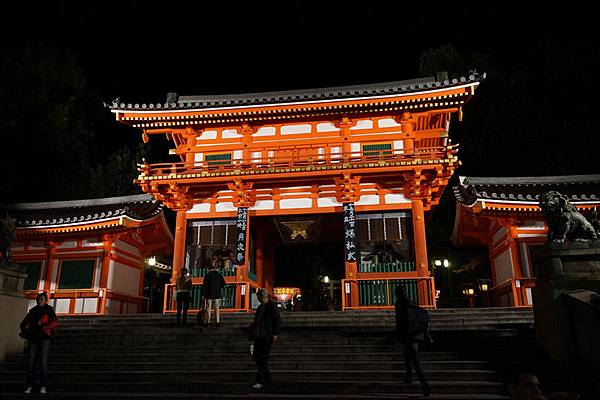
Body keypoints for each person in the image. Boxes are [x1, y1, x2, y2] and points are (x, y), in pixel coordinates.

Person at [395, 285, 431, 397]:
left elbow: (400, 322)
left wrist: (398, 335)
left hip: (408, 334)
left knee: (415, 360)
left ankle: (425, 384)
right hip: (415, 333)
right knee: (406, 354)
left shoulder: (400, 305)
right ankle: (408, 376)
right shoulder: (412, 302)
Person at [20, 292, 57, 395]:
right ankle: (29, 385)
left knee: (42, 362)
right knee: (31, 362)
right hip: (33, 337)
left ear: (45, 301)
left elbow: (54, 322)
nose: (40, 301)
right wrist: (26, 326)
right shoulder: (32, 311)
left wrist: (44, 325)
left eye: (42, 299)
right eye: (39, 299)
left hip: (44, 337)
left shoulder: (49, 310)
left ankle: (43, 385)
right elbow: (23, 323)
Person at [251, 288, 281, 390]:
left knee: (263, 358)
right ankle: (267, 377)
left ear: (261, 297)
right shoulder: (260, 307)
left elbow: (277, 319)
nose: (258, 299)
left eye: (259, 297)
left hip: (266, 335)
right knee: (257, 357)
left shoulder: (271, 306)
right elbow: (256, 321)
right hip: (258, 335)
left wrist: (275, 333)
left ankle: (259, 380)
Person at [203, 262, 226, 327]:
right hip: (217, 293)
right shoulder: (219, 275)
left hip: (209, 293)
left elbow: (205, 286)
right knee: (217, 307)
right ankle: (217, 322)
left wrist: (203, 295)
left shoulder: (207, 275)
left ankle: (208, 322)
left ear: (209, 269)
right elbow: (224, 284)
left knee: (208, 308)